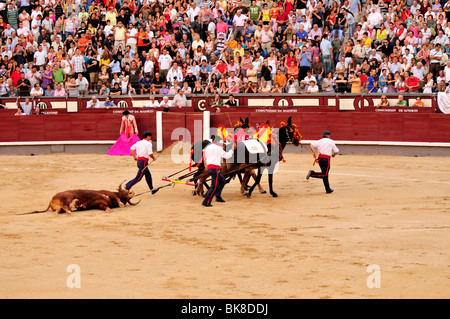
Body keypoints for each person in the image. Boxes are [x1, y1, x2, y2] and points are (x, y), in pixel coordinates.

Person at [201, 135, 236, 207]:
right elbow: (227, 156)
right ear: (217, 141)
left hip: (210, 167)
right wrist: (232, 149)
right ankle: (206, 201)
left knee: (223, 180)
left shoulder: (208, 148)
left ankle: (218, 196)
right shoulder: (218, 148)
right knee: (214, 186)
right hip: (215, 169)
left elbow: (206, 157)